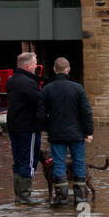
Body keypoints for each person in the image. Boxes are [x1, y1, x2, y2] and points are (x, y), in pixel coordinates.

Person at [37, 57, 94, 208]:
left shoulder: (46, 90)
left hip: (56, 134)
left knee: (59, 164)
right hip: (77, 134)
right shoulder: (78, 88)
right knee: (78, 163)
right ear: (68, 70)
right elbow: (86, 112)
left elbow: (41, 115)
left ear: (55, 70)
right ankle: (80, 198)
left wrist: (48, 128)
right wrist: (89, 132)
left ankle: (61, 198)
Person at [6, 51, 43, 206]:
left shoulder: (12, 80)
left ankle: (19, 196)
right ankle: (24, 196)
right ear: (28, 66)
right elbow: (40, 102)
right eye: (35, 63)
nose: (37, 66)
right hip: (28, 127)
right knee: (28, 160)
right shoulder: (27, 82)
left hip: (14, 126)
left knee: (18, 160)